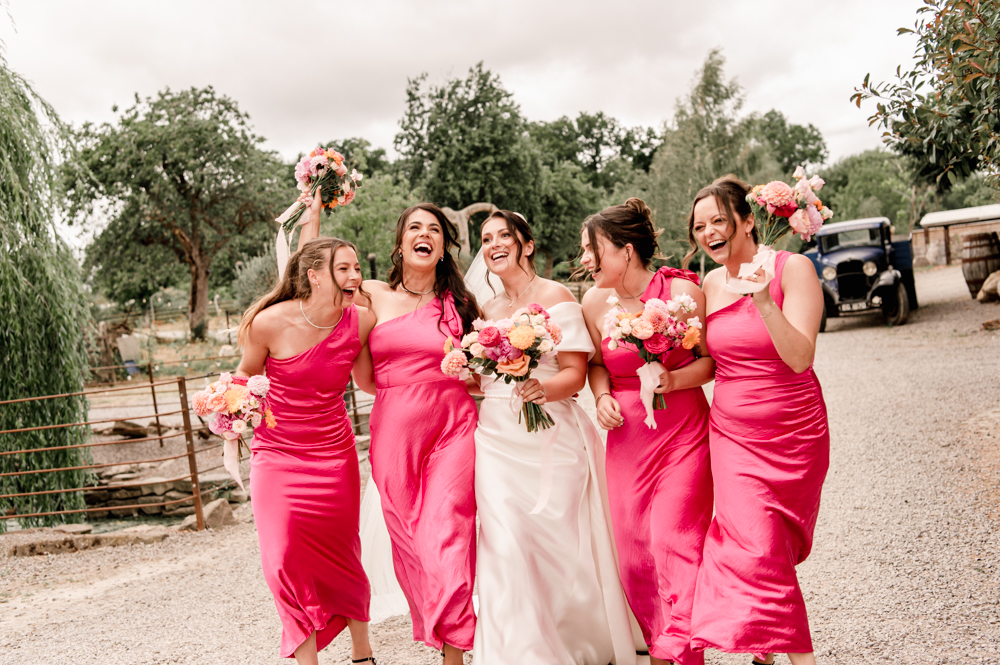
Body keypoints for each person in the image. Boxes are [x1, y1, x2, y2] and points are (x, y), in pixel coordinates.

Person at [464, 210, 636, 665]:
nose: (494, 244)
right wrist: (463, 370)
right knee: (505, 541)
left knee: (556, 541)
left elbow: (575, 376)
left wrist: (541, 388)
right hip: (497, 438)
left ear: (527, 244)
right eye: (486, 238)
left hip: (550, 434)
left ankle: (575, 636)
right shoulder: (486, 311)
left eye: (504, 235)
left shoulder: (556, 297)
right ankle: (518, 650)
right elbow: (485, 382)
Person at [685, 176, 829, 665]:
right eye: (699, 227)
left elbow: (800, 358)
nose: (708, 233)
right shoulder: (709, 283)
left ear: (749, 220)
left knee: (771, 546)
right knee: (754, 540)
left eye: (718, 221)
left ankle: (762, 648)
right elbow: (708, 360)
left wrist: (763, 300)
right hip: (731, 434)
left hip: (794, 428)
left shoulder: (795, 271)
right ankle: (793, 657)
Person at [235, 191, 376, 665]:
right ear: (314, 274)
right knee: (283, 558)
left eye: (357, 267)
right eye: (344, 268)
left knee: (343, 554)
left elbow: (375, 379)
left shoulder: (362, 321)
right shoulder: (267, 323)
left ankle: (363, 652)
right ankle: (306, 658)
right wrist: (226, 408)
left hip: (334, 455)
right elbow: (243, 380)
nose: (355, 276)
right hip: (276, 455)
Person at [580, 198, 715, 665]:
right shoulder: (595, 301)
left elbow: (710, 362)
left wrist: (671, 379)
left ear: (625, 250)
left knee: (673, 541)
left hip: (683, 435)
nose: (583, 261)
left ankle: (679, 652)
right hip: (626, 443)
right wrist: (601, 398)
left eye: (591, 250)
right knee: (635, 557)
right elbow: (597, 366)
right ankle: (662, 642)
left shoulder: (682, 293)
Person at [351, 203, 480, 665]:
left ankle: (454, 655)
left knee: (449, 533)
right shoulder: (371, 295)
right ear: (400, 242)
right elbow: (317, 275)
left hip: (454, 426)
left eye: (434, 230)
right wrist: (311, 212)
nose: (424, 235)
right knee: (409, 539)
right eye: (414, 228)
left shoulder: (461, 306)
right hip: (394, 430)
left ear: (443, 247)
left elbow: (484, 372)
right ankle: (440, 625)